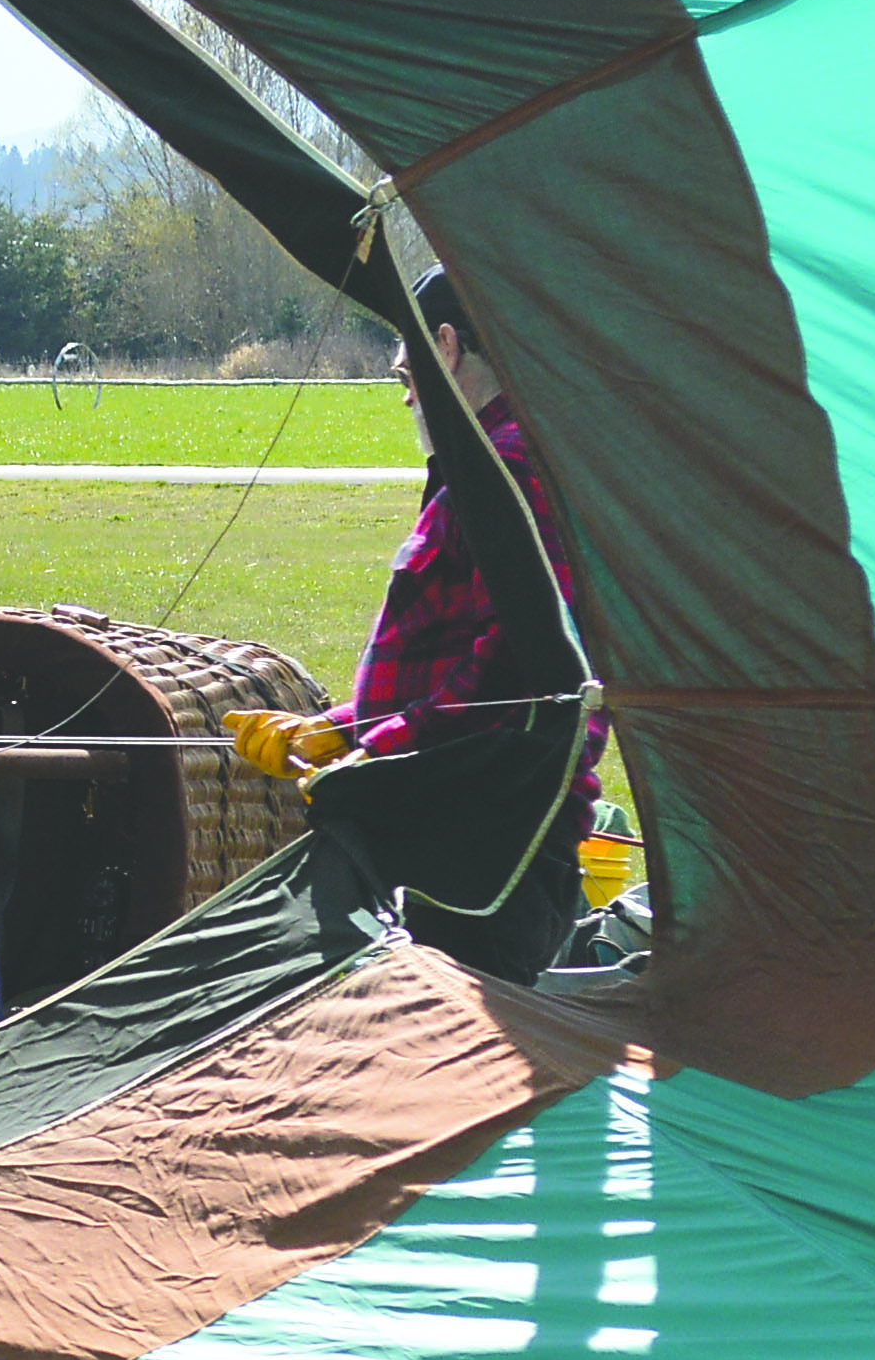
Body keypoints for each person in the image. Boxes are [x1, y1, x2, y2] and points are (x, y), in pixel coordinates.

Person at [227, 269, 608, 982]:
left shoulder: (513, 468)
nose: (405, 392)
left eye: (408, 371)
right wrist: (343, 727)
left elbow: (522, 668)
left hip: (492, 853)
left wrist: (374, 751)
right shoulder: (488, 466)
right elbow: (457, 655)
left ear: (447, 345)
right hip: (458, 834)